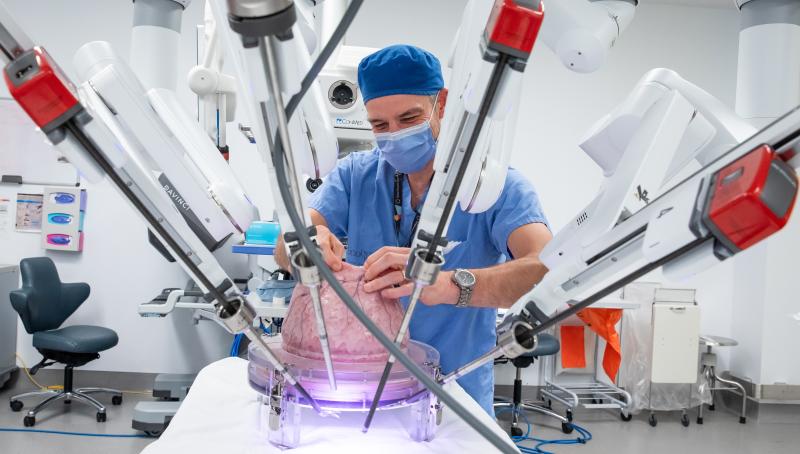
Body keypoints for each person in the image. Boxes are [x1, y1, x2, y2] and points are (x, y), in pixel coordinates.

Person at [275, 44, 552, 415]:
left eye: (409, 119)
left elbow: (545, 267)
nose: (394, 135)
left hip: (455, 392)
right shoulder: (356, 175)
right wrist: (306, 241)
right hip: (360, 394)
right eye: (379, 125)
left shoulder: (492, 187)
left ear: (443, 103)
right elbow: (289, 241)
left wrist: (448, 285)